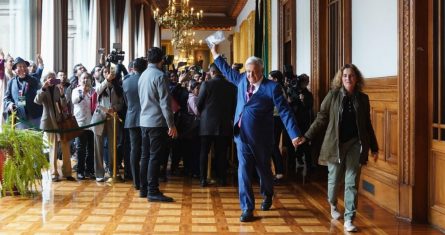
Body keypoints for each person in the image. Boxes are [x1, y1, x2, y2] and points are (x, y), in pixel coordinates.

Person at [211, 45, 301, 222]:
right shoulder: (242, 80)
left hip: (261, 139)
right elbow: (227, 71)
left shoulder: (272, 88)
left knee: (264, 171)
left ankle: (268, 194)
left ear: (261, 71)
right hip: (241, 136)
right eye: (248, 72)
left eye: (254, 72)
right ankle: (247, 209)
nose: (250, 76)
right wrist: (215, 53)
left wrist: (294, 134)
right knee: (243, 171)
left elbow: (285, 111)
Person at [297, 64, 378, 232]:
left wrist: (374, 147)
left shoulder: (363, 99)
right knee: (333, 182)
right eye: (345, 75)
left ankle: (349, 218)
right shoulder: (333, 96)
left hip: (355, 144)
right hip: (335, 144)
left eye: (351, 75)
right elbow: (321, 118)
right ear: (341, 78)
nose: (348, 78)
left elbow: (367, 125)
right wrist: (306, 136)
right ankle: (333, 204)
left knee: (352, 181)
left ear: (357, 78)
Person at [138, 47, 177, 202]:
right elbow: (165, 104)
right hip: (156, 122)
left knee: (145, 156)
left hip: (144, 121)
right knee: (155, 157)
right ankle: (153, 191)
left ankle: (143, 189)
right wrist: (171, 125)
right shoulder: (160, 76)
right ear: (161, 59)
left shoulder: (143, 75)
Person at [197, 63, 237, 187]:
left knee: (204, 152)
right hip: (224, 124)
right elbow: (234, 107)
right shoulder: (231, 86)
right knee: (221, 153)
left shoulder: (206, 84)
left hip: (207, 124)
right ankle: (222, 179)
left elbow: (199, 104)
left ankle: (203, 179)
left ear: (212, 72)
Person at [34, 72, 74, 181]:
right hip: (49, 122)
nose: (51, 80)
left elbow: (64, 105)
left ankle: (67, 172)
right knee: (53, 147)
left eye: (53, 78)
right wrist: (43, 88)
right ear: (45, 79)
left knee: (65, 146)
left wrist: (62, 94)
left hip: (61, 121)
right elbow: (37, 101)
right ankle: (54, 173)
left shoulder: (58, 89)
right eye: (49, 78)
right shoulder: (42, 89)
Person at [123, 58, 147, 190]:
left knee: (134, 150)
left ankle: (136, 181)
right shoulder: (145, 79)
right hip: (145, 117)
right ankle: (144, 180)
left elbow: (126, 102)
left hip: (131, 117)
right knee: (145, 150)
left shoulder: (126, 81)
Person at [3, 57, 43, 129]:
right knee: (22, 139)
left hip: (35, 116)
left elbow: (38, 76)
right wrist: (10, 104)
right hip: (20, 117)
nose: (23, 68)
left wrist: (40, 64)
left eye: (24, 66)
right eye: (20, 66)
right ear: (15, 69)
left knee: (35, 139)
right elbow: (6, 98)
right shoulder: (11, 82)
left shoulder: (32, 79)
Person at [72, 72, 95, 180]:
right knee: (81, 149)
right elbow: (74, 101)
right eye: (83, 78)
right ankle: (80, 171)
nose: (85, 80)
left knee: (91, 148)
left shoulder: (93, 91)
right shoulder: (75, 91)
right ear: (79, 80)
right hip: (80, 123)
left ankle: (89, 170)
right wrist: (83, 93)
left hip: (91, 123)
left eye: (87, 78)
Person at [268, 70, 286, 183]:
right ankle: (278, 172)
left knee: (273, 146)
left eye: (270, 78)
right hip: (275, 119)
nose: (268, 79)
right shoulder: (279, 87)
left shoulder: (277, 88)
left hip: (276, 119)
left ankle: (280, 173)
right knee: (272, 146)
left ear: (275, 79)